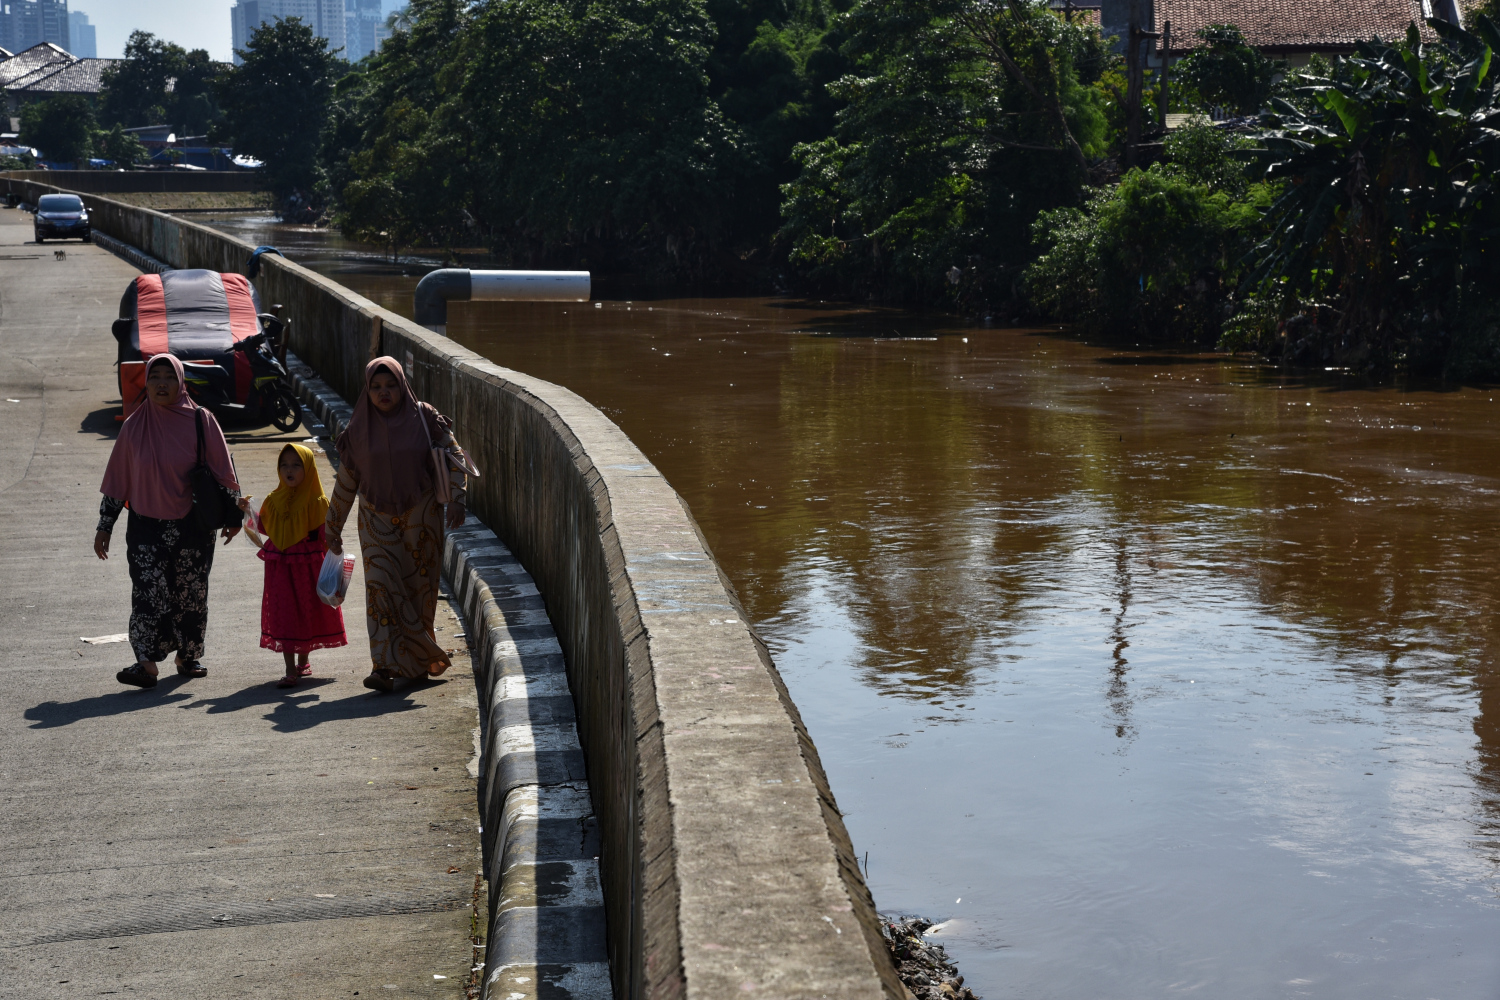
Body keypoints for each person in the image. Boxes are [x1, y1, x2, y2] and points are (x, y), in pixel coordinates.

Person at [94, 354, 240, 689]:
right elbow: (119, 480)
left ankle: (188, 657)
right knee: (147, 595)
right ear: (146, 382)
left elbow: (224, 471)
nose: (162, 383)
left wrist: (233, 515)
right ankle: (145, 664)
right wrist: (105, 525)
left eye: (169, 377)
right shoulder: (134, 426)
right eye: (155, 376)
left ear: (180, 382)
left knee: (190, 594)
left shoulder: (201, 421)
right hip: (146, 526)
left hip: (192, 525)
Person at [325, 357, 467, 692]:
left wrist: (458, 498)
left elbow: (455, 456)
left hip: (423, 519)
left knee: (419, 593)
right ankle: (384, 666)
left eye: (390, 386)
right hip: (375, 520)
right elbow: (346, 481)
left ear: (402, 386)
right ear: (367, 390)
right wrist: (332, 528)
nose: (383, 392)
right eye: (376, 387)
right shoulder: (358, 429)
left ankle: (416, 663)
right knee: (380, 590)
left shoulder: (425, 417)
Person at [240, 444, 347, 687]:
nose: (289, 470)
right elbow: (265, 528)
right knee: (286, 612)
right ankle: (290, 669)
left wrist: (335, 544)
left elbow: (326, 533)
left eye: (296, 465)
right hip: (281, 566)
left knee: (307, 611)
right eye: (284, 465)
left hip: (309, 565)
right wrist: (248, 511)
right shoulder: (273, 500)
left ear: (308, 469)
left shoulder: (318, 502)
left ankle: (303, 662)